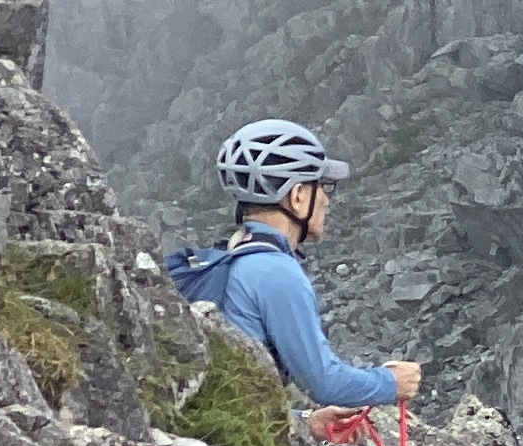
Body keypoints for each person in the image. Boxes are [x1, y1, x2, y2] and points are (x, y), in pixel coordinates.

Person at [162, 119, 426, 409]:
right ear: (298, 196)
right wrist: (390, 383)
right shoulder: (277, 272)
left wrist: (306, 423)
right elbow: (325, 383)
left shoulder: (228, 256)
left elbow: (237, 398)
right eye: (322, 186)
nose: (326, 199)